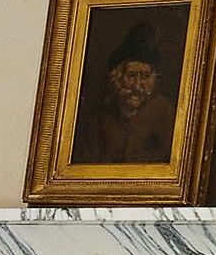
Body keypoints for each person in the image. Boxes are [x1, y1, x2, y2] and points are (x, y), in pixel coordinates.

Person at [73, 13, 180, 165]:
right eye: (131, 76)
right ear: (117, 78)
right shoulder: (99, 117)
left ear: (153, 79)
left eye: (144, 77)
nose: (137, 86)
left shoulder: (166, 114)